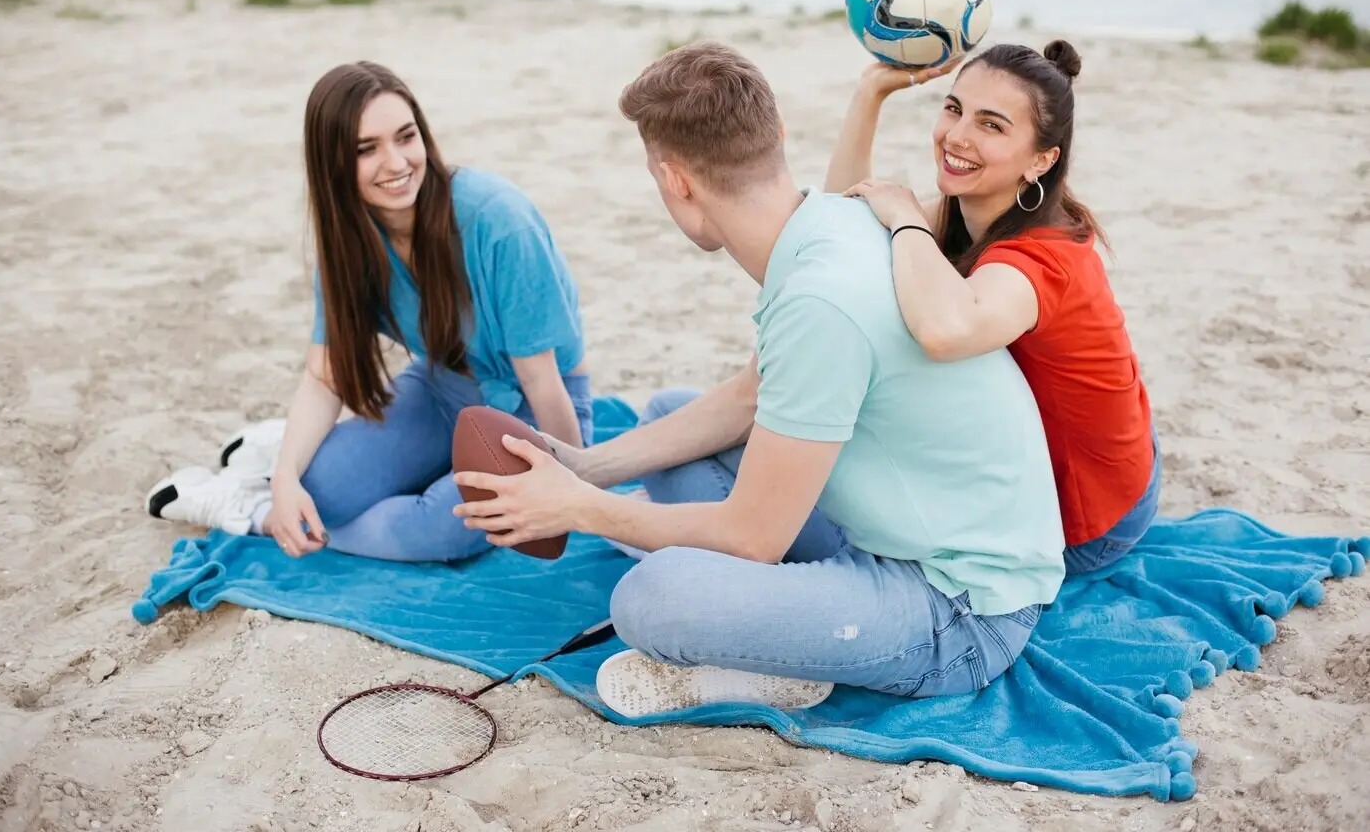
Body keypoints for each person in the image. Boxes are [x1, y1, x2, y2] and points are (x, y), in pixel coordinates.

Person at [447, 41, 1065, 718]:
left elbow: (753, 538)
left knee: (651, 599)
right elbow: (750, 395)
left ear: (676, 182)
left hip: (960, 610)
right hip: (891, 530)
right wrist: (584, 467)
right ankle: (782, 620)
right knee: (673, 419)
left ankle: (785, 655)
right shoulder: (831, 222)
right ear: (777, 136)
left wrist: (579, 508)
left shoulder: (819, 301)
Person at [146, 61, 590, 563]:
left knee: (437, 532)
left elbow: (541, 380)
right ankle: (275, 459)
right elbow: (326, 376)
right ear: (333, 163)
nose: (396, 163)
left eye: (406, 136)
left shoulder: (499, 221)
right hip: (444, 387)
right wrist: (288, 479)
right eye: (366, 149)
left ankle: (256, 514)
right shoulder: (351, 240)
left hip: (533, 409)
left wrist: (573, 487)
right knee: (320, 490)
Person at [828, 41, 1160, 576]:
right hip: (1113, 443)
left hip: (1092, 517)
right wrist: (870, 94)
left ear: (1042, 160)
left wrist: (906, 218)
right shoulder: (978, 207)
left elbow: (944, 332)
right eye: (954, 109)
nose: (957, 136)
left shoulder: (1040, 259)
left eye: (991, 125)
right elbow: (841, 228)